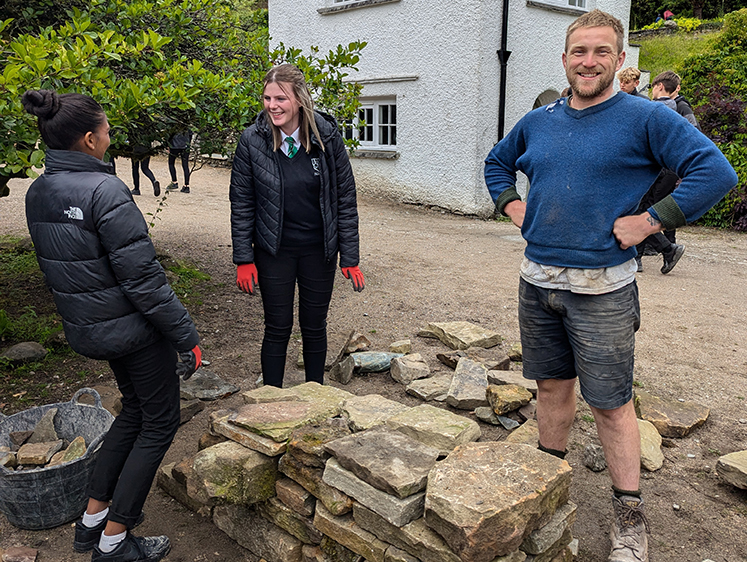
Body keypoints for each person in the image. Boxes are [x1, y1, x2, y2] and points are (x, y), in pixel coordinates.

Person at [484, 10, 737, 562]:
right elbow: (497, 164)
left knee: (610, 404)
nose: (589, 61)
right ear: (565, 58)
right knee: (550, 389)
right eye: (579, 51)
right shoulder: (538, 121)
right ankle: (546, 495)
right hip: (539, 281)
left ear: (620, 60)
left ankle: (629, 521)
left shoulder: (645, 118)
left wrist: (650, 221)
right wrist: (513, 206)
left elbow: (716, 172)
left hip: (604, 288)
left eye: (601, 52)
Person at [22, 89, 202, 562]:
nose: (109, 136)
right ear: (88, 140)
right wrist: (185, 335)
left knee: (136, 413)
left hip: (92, 329)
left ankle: (92, 521)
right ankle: (115, 539)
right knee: (160, 421)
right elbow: (143, 280)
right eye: (104, 130)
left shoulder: (39, 191)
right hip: (135, 332)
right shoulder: (105, 190)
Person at [229, 64, 364, 388]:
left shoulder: (326, 137)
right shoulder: (252, 141)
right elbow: (242, 202)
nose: (272, 105)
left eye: (280, 98)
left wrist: (351, 255)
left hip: (319, 251)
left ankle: (314, 394)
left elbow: (345, 197)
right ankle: (271, 398)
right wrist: (243, 259)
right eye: (267, 98)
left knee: (314, 325)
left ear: (299, 99)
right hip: (274, 250)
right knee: (277, 326)